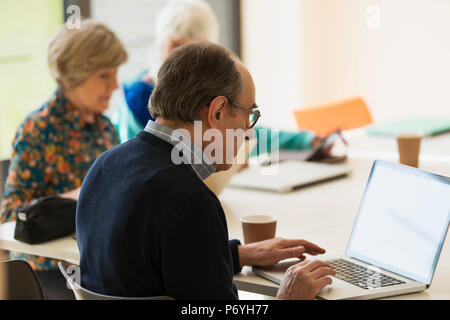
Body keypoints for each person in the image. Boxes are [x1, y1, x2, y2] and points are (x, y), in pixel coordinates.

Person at [77, 42, 335, 300]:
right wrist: (289, 296)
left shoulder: (104, 166)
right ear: (218, 112)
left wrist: (235, 254)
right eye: (248, 115)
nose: (248, 132)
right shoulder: (190, 202)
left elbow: (146, 265)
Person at [0, 20, 127, 299]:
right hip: (50, 273)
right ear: (72, 77)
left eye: (115, 73)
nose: (115, 84)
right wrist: (76, 197)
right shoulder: (38, 130)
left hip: (98, 263)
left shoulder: (106, 128)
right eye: (104, 75)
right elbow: (10, 215)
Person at [112, 0, 323, 155]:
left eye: (192, 50)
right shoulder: (137, 97)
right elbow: (138, 160)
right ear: (162, 44)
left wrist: (303, 139)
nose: (182, 59)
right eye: (175, 46)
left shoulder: (210, 90)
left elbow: (242, 128)